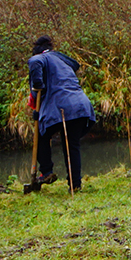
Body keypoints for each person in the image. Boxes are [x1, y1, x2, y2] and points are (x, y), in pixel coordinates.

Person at [27, 36, 96, 191]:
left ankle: (46, 171)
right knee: (71, 146)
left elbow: (34, 63)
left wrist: (38, 84)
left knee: (41, 134)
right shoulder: (62, 61)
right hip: (81, 106)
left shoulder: (40, 58)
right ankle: (75, 185)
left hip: (61, 107)